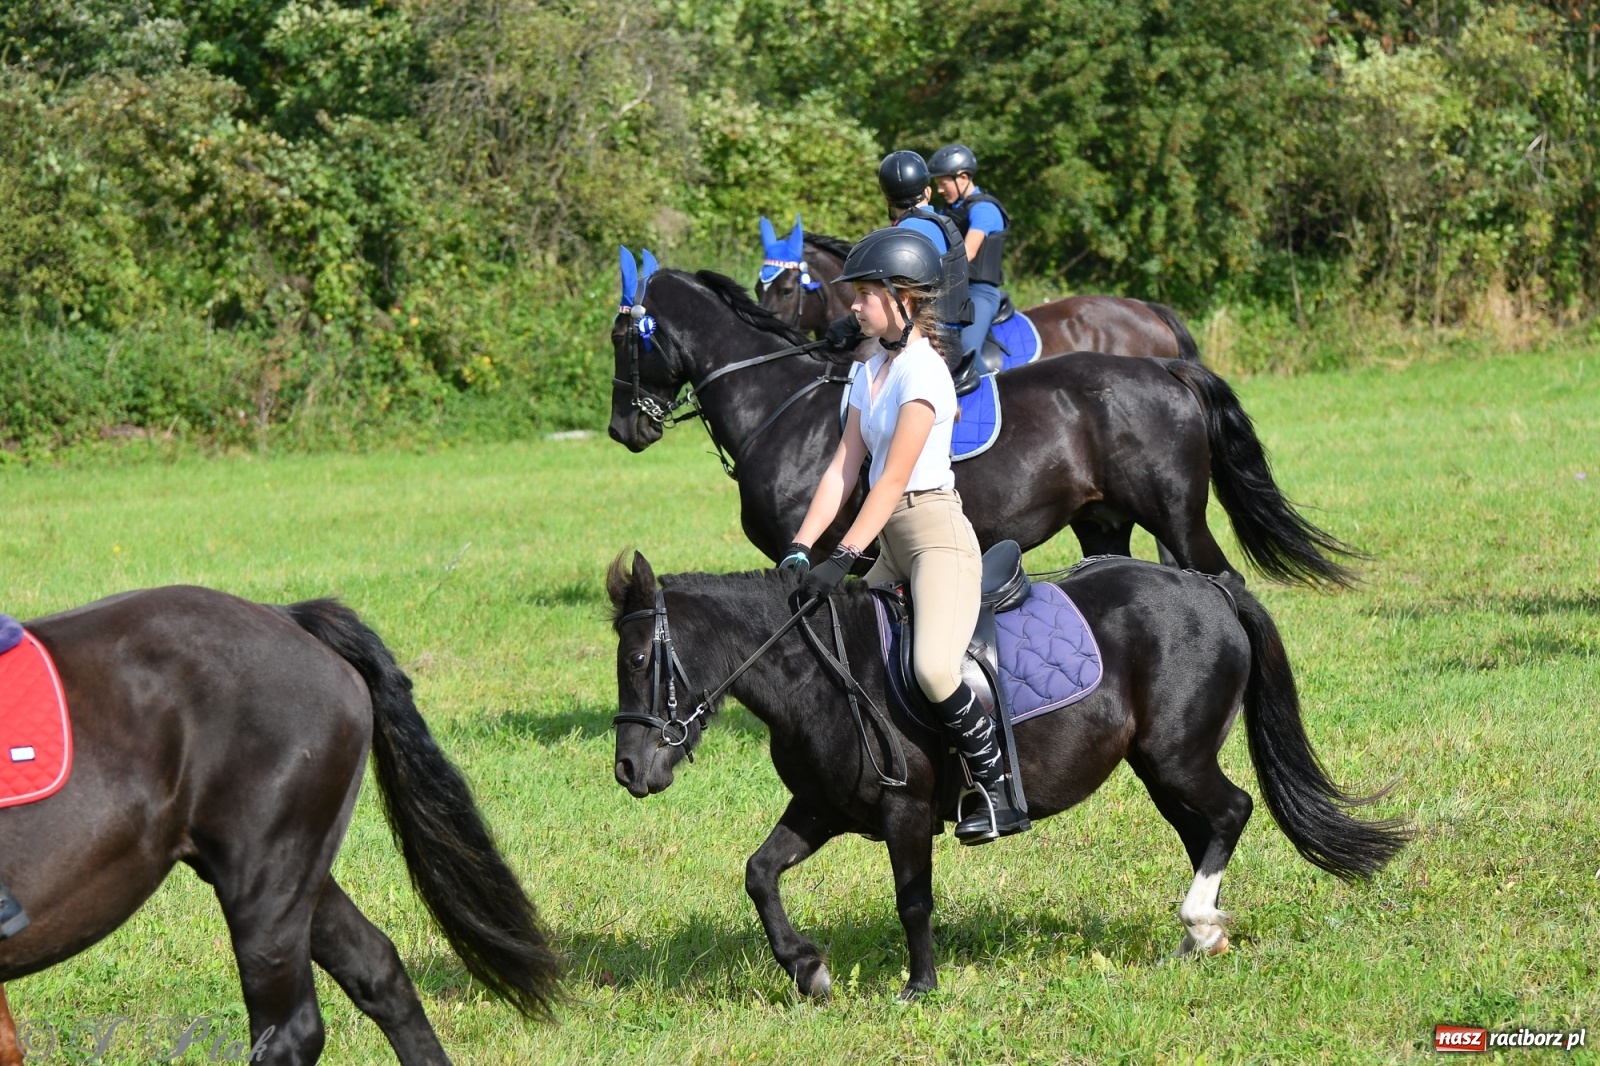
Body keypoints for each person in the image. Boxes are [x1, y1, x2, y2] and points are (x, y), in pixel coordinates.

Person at [778, 227, 1028, 845]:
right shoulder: (871, 373)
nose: (854, 307)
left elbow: (889, 482)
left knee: (934, 668)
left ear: (903, 299)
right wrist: (800, 546)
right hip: (889, 540)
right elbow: (844, 465)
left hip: (935, 535)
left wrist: (841, 557)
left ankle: (994, 787)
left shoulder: (925, 373)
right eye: (856, 296)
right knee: (850, 656)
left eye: (865, 295)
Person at [825, 152, 972, 360]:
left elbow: (894, 296)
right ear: (928, 192)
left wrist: (850, 324)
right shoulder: (943, 224)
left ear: (887, 199)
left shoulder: (901, 237)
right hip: (952, 338)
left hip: (928, 341)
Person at [928, 144, 1010, 364]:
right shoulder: (950, 211)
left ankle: (992, 394)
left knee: (965, 351)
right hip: (951, 289)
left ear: (963, 177)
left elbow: (968, 252)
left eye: (943, 184)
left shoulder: (984, 209)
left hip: (979, 292)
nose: (940, 190)